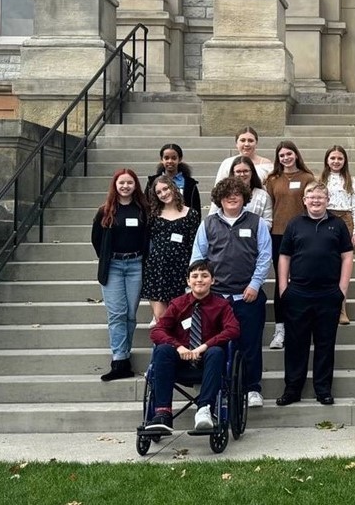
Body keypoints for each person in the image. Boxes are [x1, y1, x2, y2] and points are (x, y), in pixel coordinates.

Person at [190, 177, 272, 408]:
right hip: (215, 298)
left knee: (250, 344)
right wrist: (202, 288)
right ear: (220, 199)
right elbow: (198, 258)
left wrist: (255, 284)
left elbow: (265, 257)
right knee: (215, 346)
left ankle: (252, 388)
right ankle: (220, 388)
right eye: (227, 194)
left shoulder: (257, 223)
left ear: (244, 197)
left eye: (237, 193)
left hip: (247, 295)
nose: (232, 197)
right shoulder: (208, 224)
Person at [276, 181, 354, 406]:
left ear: (327, 200)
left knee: (325, 344)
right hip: (298, 293)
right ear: (305, 200)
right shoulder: (294, 224)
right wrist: (283, 288)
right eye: (311, 197)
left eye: (320, 197)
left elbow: (347, 256)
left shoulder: (337, 224)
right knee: (295, 344)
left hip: (328, 293)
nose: (316, 201)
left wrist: (342, 290)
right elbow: (284, 257)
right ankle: (292, 389)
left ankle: (323, 390)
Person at [145, 260, 240, 432]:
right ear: (188, 281)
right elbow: (157, 331)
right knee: (162, 349)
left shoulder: (222, 305)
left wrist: (204, 346)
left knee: (217, 352)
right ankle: (163, 413)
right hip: (179, 361)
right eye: (194, 276)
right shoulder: (177, 304)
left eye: (204, 276)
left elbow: (233, 329)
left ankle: (204, 410)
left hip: (208, 362)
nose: (199, 280)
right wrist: (178, 347)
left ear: (212, 280)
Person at [90, 168, 150, 382]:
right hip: (114, 266)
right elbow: (96, 238)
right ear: (115, 185)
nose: (125, 186)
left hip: (135, 265)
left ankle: (125, 354)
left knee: (130, 315)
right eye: (121, 183)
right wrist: (108, 257)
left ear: (136, 186)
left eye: (130, 183)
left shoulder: (143, 210)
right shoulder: (105, 210)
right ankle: (119, 360)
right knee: (116, 313)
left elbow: (147, 237)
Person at [265, 140, 316, 349]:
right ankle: (280, 329)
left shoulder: (307, 178)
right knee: (282, 282)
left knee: (303, 279)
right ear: (278, 158)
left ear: (296, 155)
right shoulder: (272, 179)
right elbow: (269, 206)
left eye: (289, 154)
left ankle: (302, 325)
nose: (286, 158)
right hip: (278, 235)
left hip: (302, 235)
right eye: (282, 155)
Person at [142, 176, 202, 327]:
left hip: (180, 271)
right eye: (159, 192)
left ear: (173, 188)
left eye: (166, 188)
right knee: (162, 321)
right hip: (157, 271)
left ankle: (180, 349)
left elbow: (194, 244)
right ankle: (163, 349)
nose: (163, 193)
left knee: (182, 319)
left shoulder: (191, 214)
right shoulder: (153, 216)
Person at [321, 145, 355, 325]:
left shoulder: (351, 180)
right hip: (326, 217)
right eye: (333, 158)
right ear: (327, 160)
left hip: (345, 219)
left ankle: (341, 308)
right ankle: (325, 306)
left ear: (344, 161)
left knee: (342, 267)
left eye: (339, 158)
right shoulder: (321, 179)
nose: (336, 161)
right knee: (326, 264)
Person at [208, 156, 272, 225]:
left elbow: (267, 221)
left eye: (245, 171)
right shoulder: (223, 193)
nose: (242, 174)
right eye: (238, 171)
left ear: (252, 172)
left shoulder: (263, 195)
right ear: (233, 173)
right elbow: (212, 217)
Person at [147, 143, 201, 212]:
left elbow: (196, 210)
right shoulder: (152, 182)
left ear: (180, 159)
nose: (170, 161)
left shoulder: (190, 184)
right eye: (166, 158)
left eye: (174, 158)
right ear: (161, 160)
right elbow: (147, 205)